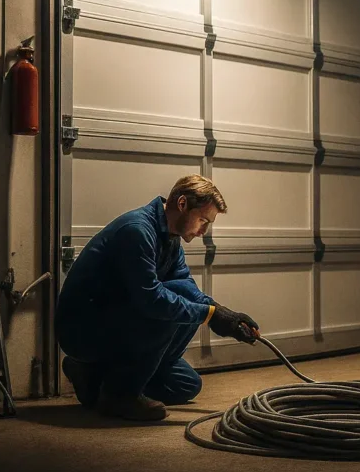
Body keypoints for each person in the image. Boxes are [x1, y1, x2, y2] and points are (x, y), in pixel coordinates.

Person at [56, 174, 260, 421]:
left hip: (120, 323)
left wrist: (222, 313)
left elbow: (186, 285)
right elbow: (151, 299)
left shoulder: (171, 238)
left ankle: (92, 375)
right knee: (168, 306)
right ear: (182, 204)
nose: (204, 231)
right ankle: (119, 394)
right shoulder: (137, 230)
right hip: (84, 330)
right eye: (202, 220)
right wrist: (209, 315)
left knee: (185, 385)